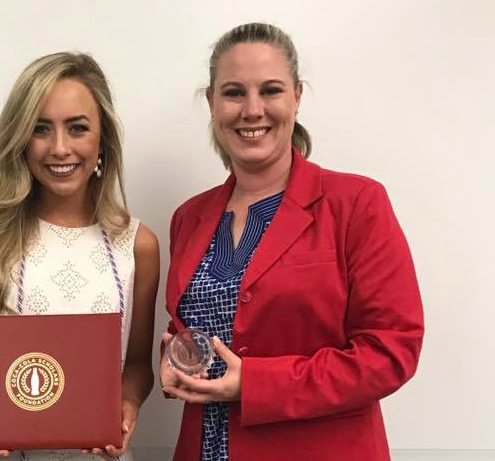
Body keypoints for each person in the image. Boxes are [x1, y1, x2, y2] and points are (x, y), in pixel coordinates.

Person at [160, 22, 424, 461]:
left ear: (296, 97)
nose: (252, 109)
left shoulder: (356, 204)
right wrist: (177, 357)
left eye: (271, 90)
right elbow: (201, 328)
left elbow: (392, 350)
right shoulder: (189, 218)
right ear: (211, 103)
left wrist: (257, 384)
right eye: (233, 93)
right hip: (205, 449)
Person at [0, 52, 160, 461]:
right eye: (40, 129)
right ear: (19, 137)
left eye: (77, 128)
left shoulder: (138, 244)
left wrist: (128, 407)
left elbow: (139, 365)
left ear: (102, 139)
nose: (59, 148)